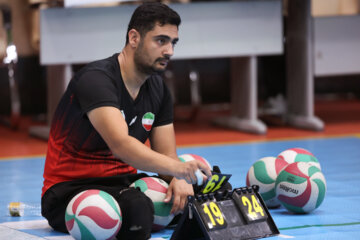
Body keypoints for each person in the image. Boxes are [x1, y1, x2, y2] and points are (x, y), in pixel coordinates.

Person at [41, 2, 212, 240]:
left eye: (173, 43)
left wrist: (179, 179)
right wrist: (179, 170)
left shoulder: (158, 88)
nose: (169, 51)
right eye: (161, 41)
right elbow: (121, 146)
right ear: (134, 38)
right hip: (68, 190)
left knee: (210, 188)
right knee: (138, 208)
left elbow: (167, 156)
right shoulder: (96, 79)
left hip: (123, 182)